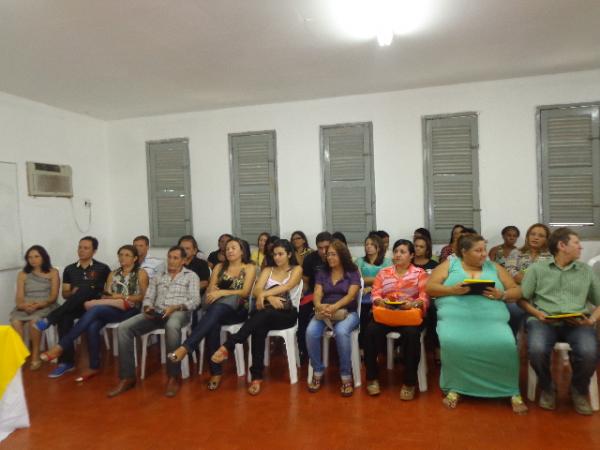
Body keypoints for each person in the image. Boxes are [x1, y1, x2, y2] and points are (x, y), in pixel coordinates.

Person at [426, 234, 528, 414]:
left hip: (490, 319)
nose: (484, 254)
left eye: (484, 250)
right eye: (478, 250)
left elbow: (517, 290)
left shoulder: (495, 267)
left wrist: (501, 295)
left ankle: (510, 390)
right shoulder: (449, 266)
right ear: (464, 252)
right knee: (453, 341)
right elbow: (430, 288)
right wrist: (452, 290)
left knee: (504, 343)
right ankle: (456, 387)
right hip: (456, 319)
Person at [518, 228, 600, 415]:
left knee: (589, 351)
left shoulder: (585, 270)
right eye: (576, 243)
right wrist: (536, 313)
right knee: (537, 349)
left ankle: (579, 390)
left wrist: (592, 320)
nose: (581, 247)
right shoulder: (537, 269)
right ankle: (547, 387)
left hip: (577, 322)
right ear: (562, 246)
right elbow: (521, 299)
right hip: (543, 320)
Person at [40, 245, 149, 382]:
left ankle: (61, 345)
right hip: (111, 307)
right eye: (120, 254)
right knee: (92, 325)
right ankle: (93, 367)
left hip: (130, 310)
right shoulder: (113, 273)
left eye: (127, 255)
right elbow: (107, 294)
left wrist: (121, 298)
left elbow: (143, 296)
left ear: (135, 258)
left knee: (95, 310)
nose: (122, 257)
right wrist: (109, 298)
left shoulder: (140, 273)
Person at [211, 239, 303, 395]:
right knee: (259, 326)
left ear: (289, 254)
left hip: (287, 313)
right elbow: (256, 289)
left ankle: (230, 344)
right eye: (274, 254)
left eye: (281, 254)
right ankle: (256, 377)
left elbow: (287, 286)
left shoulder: (296, 269)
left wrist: (265, 295)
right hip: (266, 312)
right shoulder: (268, 270)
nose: (277, 258)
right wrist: (268, 298)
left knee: (261, 316)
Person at [107, 246, 200, 398]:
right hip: (156, 313)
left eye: (176, 258)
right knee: (124, 328)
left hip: (178, 312)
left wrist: (175, 307)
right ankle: (127, 377)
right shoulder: (158, 275)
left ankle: (173, 376)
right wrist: (148, 307)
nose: (171, 260)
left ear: (183, 261)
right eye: (169, 257)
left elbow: (195, 301)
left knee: (172, 325)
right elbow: (149, 296)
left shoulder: (191, 276)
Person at [167, 238, 256, 391]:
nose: (229, 251)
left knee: (218, 309)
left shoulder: (249, 267)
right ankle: (215, 372)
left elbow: (245, 292)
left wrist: (222, 291)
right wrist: (214, 291)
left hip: (237, 311)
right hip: (216, 309)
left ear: (242, 251)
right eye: (227, 248)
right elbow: (209, 292)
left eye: (233, 248)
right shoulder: (219, 267)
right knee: (213, 321)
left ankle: (187, 347)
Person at [35, 236, 110, 378]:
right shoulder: (70, 269)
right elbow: (65, 294)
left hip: (94, 307)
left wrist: (86, 292)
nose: (81, 250)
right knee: (65, 318)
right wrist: (72, 293)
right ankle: (66, 362)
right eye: (80, 247)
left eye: (86, 248)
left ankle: (50, 319)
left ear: (94, 251)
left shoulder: (103, 268)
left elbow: (110, 289)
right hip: (74, 306)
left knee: (86, 290)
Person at [364, 239, 430, 399]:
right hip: (387, 314)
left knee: (411, 335)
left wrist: (413, 304)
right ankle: (372, 379)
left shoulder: (420, 273)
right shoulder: (384, 273)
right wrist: (381, 302)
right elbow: (376, 293)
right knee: (370, 332)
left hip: (409, 315)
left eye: (402, 252)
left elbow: (425, 297)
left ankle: (409, 382)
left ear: (411, 255)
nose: (398, 255)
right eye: (396, 252)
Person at [306, 240, 361, 397]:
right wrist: (318, 305)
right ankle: (318, 370)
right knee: (310, 332)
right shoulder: (322, 272)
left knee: (341, 331)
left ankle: (345, 375)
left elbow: (351, 295)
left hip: (347, 312)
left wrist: (335, 307)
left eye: (333, 254)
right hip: (324, 312)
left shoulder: (352, 271)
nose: (329, 257)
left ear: (342, 255)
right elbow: (317, 292)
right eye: (328, 254)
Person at [10, 246, 60, 370]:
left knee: (34, 321)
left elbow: (53, 296)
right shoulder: (22, 274)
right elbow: (19, 297)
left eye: (36, 256)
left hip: (46, 304)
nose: (33, 260)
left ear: (44, 257)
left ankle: (35, 355)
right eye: (30, 257)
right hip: (26, 305)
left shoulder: (53, 272)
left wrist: (39, 305)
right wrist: (23, 306)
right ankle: (20, 354)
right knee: (15, 322)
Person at [504, 223, 552, 335]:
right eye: (533, 234)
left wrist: (524, 277)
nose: (536, 237)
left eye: (541, 236)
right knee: (512, 309)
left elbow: (549, 278)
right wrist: (531, 279)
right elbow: (510, 271)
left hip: (541, 296)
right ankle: (514, 340)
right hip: (518, 294)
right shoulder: (516, 253)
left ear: (546, 239)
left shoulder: (550, 256)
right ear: (527, 236)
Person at [299, 231, 333, 362]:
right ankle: (304, 351)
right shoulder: (310, 259)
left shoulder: (338, 256)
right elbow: (306, 281)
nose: (324, 251)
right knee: (302, 313)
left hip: (333, 296)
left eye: (327, 247)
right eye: (320, 248)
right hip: (314, 295)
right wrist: (303, 291)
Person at [355, 234, 392, 348]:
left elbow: (388, 281)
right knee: (362, 314)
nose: (368, 247)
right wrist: (377, 279)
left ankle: (381, 346)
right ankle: (363, 346)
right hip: (363, 296)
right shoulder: (359, 261)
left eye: (372, 244)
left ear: (379, 247)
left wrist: (371, 286)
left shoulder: (387, 262)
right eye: (367, 244)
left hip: (382, 295)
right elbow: (358, 280)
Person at [413, 236, 441, 364]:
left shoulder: (433, 265)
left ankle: (437, 348)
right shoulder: (408, 263)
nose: (418, 248)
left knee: (435, 311)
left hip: (430, 297)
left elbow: (439, 283)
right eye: (416, 246)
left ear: (427, 249)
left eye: (421, 246)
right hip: (412, 298)